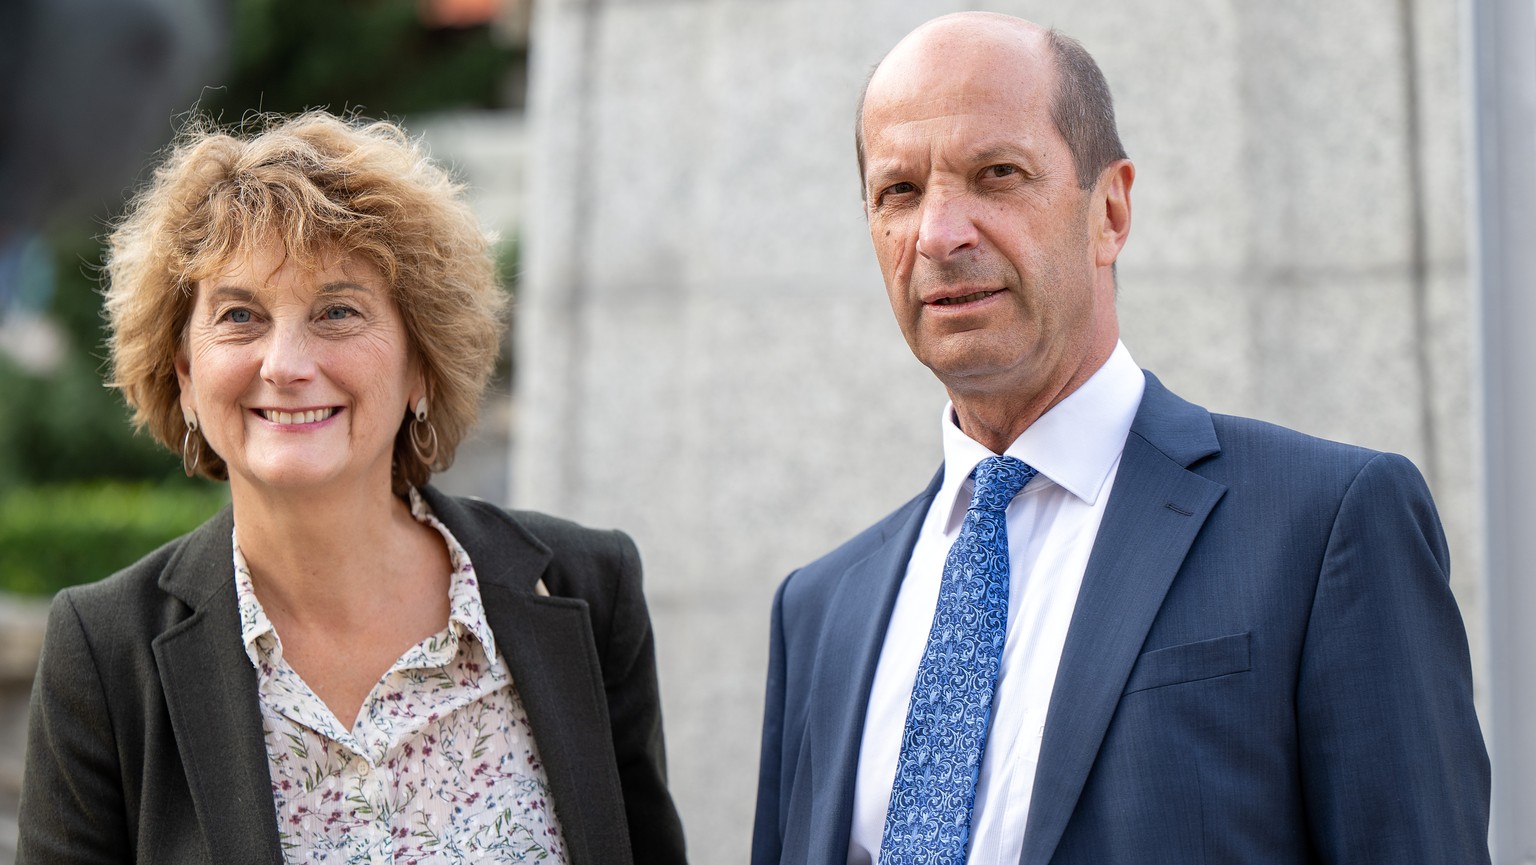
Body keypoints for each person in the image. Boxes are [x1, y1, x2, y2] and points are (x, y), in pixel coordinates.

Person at [752, 12, 1489, 865]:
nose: (940, 235)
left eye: (996, 174)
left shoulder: (1325, 528)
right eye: (900, 192)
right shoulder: (817, 611)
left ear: (1110, 210)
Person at [18, 111, 687, 865]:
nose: (285, 363)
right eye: (240, 316)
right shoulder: (106, 649)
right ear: (185, 374)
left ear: (421, 365)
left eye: (337, 311)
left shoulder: (586, 593)